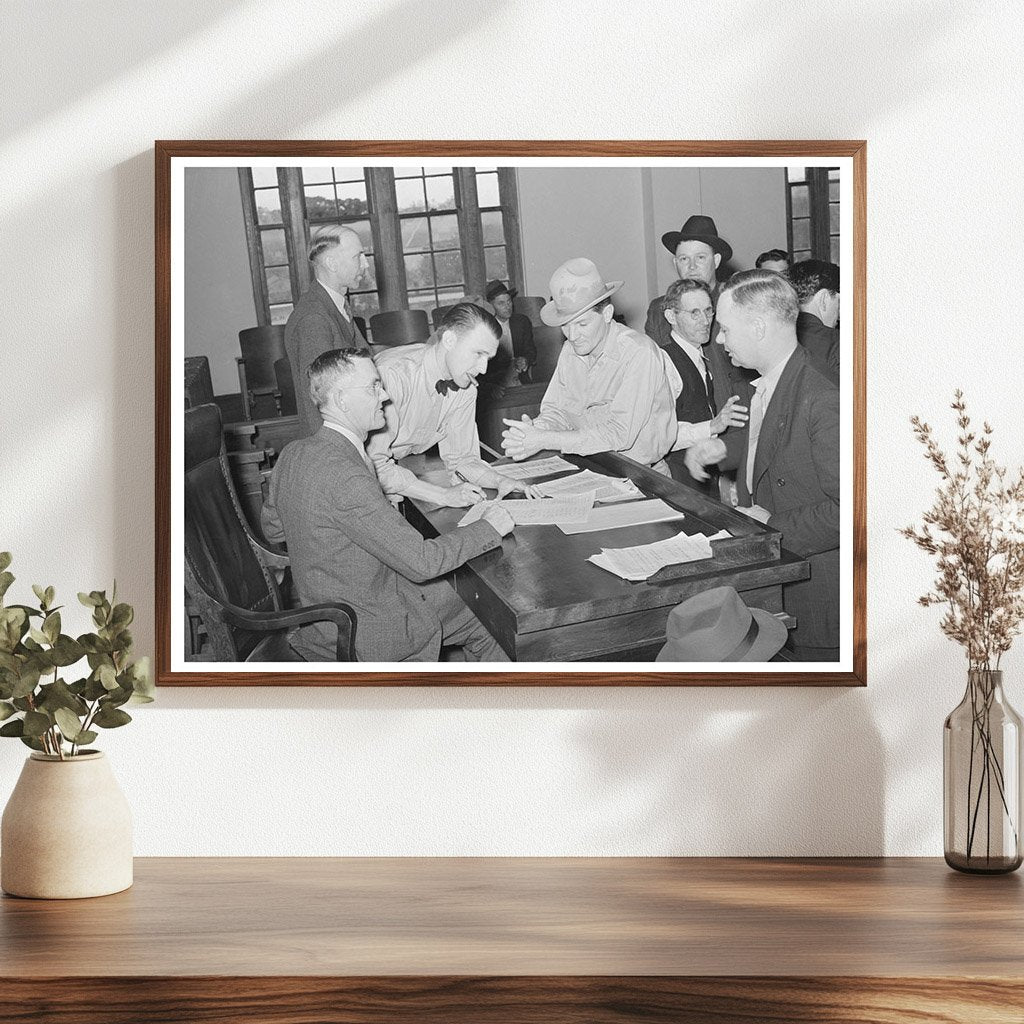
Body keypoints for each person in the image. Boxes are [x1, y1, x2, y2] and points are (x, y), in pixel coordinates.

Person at [262, 348, 514, 663]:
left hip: (325, 617)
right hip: (368, 628)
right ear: (342, 400)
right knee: (491, 614)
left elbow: (272, 527)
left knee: (471, 598)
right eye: (373, 387)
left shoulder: (294, 453)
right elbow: (423, 562)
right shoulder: (346, 474)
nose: (384, 396)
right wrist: (490, 526)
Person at [684, 270, 840, 661]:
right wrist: (721, 450)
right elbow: (767, 445)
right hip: (777, 579)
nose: (718, 339)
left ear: (757, 327)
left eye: (725, 329)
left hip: (815, 595)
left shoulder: (823, 396)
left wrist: (768, 525)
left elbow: (850, 511)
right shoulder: (769, 379)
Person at [501, 258, 675, 471]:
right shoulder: (570, 351)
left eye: (582, 324)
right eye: (565, 326)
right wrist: (535, 429)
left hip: (642, 473)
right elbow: (557, 410)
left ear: (607, 314)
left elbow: (619, 434)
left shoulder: (638, 353)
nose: (572, 336)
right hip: (591, 469)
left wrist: (545, 439)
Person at [369, 302, 540, 505]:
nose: (484, 369)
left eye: (488, 358)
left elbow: (462, 460)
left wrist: (500, 480)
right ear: (449, 340)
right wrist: (443, 495)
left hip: (394, 469)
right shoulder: (393, 376)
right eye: (478, 354)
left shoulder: (465, 386)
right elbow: (372, 466)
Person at [644, 214, 754, 416]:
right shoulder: (659, 309)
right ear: (675, 263)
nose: (691, 266)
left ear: (717, 260)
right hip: (682, 421)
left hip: (735, 417)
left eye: (700, 258)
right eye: (684, 259)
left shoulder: (738, 301)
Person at [659, 278, 748, 492]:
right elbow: (659, 436)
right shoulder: (664, 362)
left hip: (702, 475)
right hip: (679, 479)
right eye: (694, 313)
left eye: (709, 311)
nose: (705, 320)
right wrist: (712, 426)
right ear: (671, 316)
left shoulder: (700, 355)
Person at [285, 225, 370, 436]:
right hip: (333, 444)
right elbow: (319, 400)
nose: (365, 264)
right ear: (332, 263)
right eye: (357, 256)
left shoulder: (335, 306)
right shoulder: (313, 318)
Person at [790, 259, 840, 385]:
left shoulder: (776, 335)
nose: (840, 312)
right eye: (839, 302)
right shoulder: (837, 342)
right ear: (824, 298)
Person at [480, 279, 536, 388]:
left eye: (509, 301)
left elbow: (531, 350)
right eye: (501, 303)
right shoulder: (485, 328)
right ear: (491, 306)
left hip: (519, 378)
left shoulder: (522, 322)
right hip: (494, 383)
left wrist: (525, 360)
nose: (508, 306)